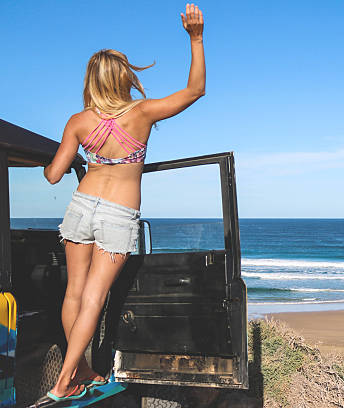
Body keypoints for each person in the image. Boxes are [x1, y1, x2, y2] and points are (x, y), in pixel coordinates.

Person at [42, 3, 206, 401]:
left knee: (75, 294)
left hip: (81, 206)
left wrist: (71, 158)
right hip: (117, 213)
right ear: (123, 78)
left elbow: (52, 175)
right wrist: (196, 38)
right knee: (96, 298)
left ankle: (82, 370)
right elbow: (195, 90)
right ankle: (65, 380)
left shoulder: (78, 121)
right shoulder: (144, 113)